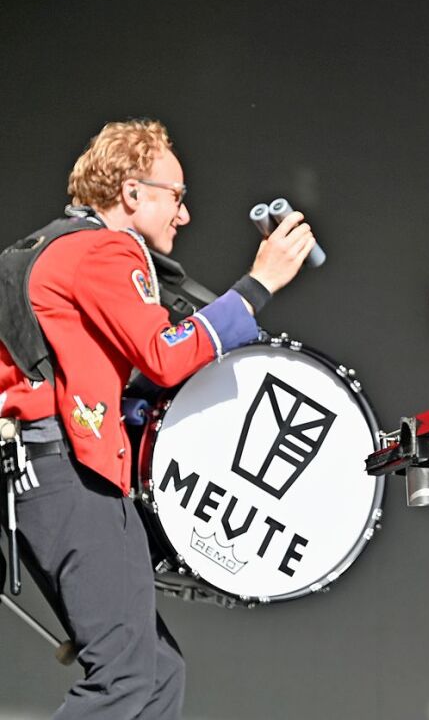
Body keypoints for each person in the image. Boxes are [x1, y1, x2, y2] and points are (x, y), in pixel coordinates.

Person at [0, 118, 315, 719]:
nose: (184, 215)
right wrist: (258, 286)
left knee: (157, 673)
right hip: (72, 476)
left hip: (42, 476)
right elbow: (167, 356)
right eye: (177, 196)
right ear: (132, 194)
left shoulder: (53, 247)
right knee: (123, 677)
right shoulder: (106, 249)